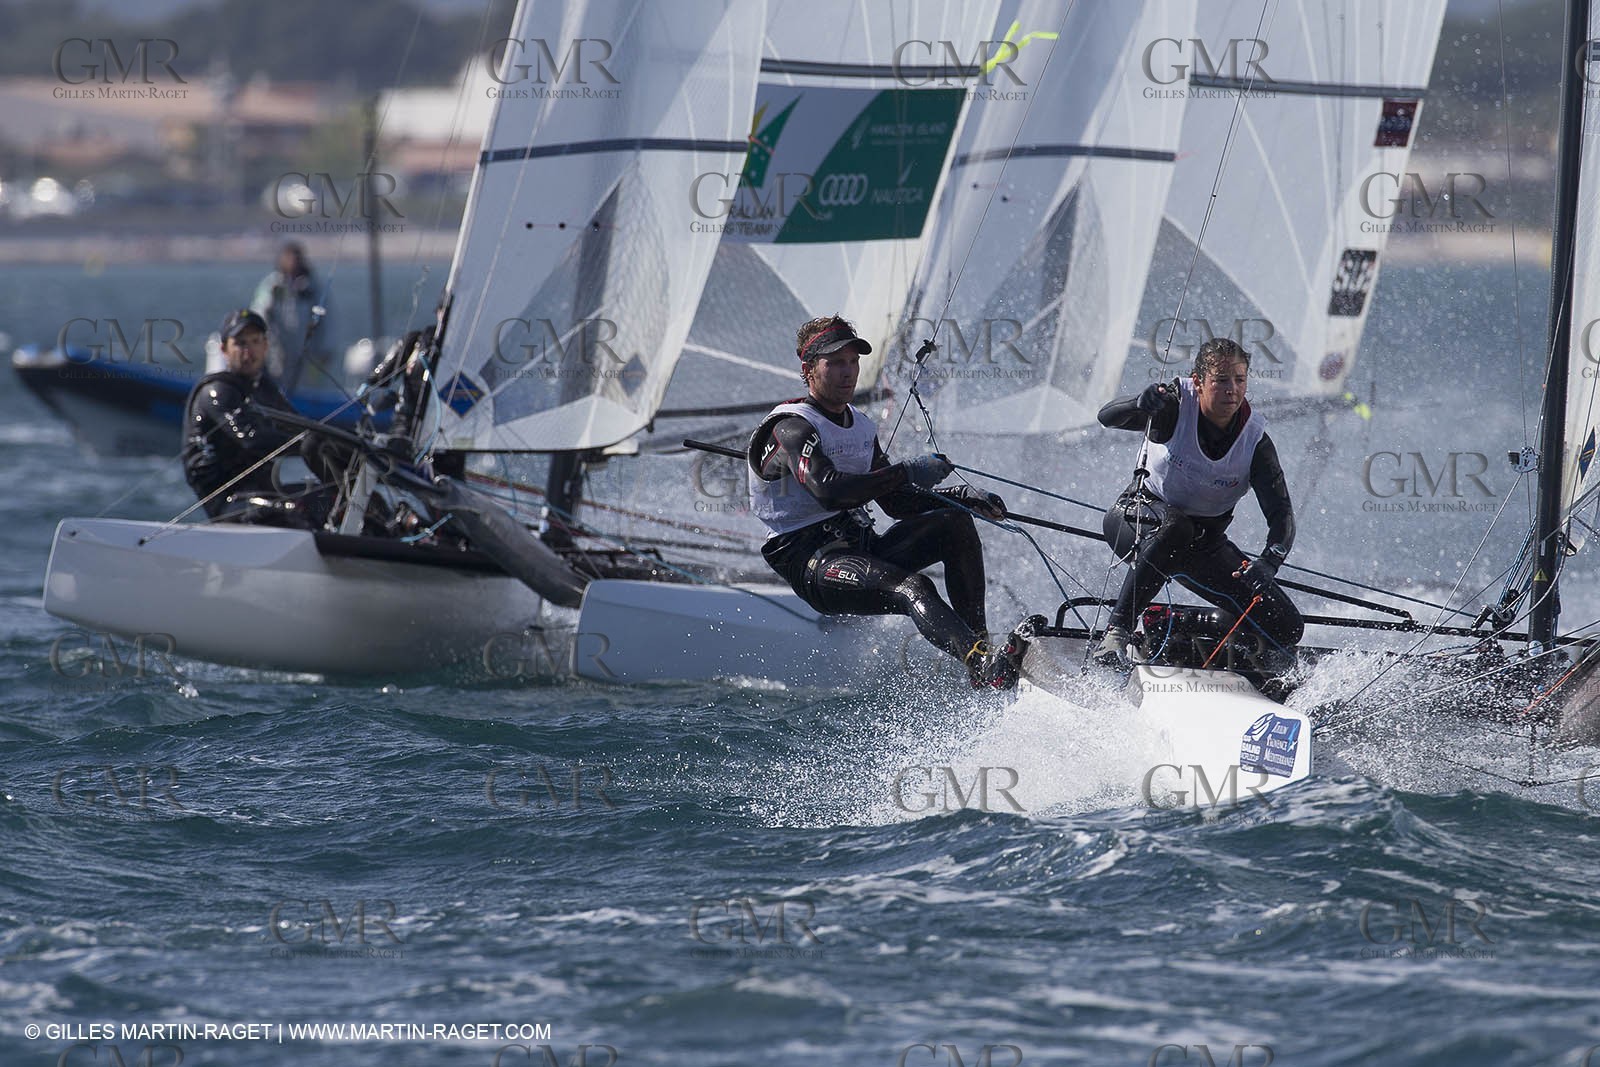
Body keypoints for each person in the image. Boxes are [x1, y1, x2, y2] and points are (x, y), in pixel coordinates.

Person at [746, 314, 1042, 689]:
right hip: (813, 564)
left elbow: (896, 503)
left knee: (953, 523)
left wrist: (961, 498)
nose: (847, 372)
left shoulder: (860, 427)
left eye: (853, 361)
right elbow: (830, 491)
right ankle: (983, 663)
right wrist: (906, 470)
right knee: (913, 587)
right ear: (809, 370)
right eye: (834, 363)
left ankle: (983, 654)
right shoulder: (791, 428)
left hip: (860, 546)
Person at [1095, 337, 1303, 676]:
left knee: (1286, 626)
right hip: (1136, 520)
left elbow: (1281, 515)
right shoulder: (1173, 408)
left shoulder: (1255, 443)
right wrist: (1139, 403)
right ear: (1198, 382)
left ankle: (1171, 625)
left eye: (1239, 379)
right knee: (1176, 529)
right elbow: (1107, 417)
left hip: (1201, 544)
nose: (1232, 389)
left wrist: (1269, 561)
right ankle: (1116, 633)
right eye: (1221, 380)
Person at [182, 308, 325, 525]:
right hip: (229, 502)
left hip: (263, 491)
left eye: (255, 341)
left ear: (265, 346)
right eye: (240, 343)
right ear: (224, 349)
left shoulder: (264, 388)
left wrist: (334, 440)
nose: (249, 351)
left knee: (328, 498)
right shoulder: (217, 391)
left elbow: (299, 426)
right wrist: (307, 441)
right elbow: (252, 440)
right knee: (291, 514)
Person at [251, 241, 335, 394]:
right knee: (277, 387)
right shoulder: (272, 285)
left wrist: (326, 348)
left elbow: (328, 318)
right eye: (289, 257)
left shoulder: (313, 287)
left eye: (296, 257)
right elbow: (259, 312)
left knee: (308, 389)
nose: (293, 262)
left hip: (308, 352)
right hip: (278, 351)